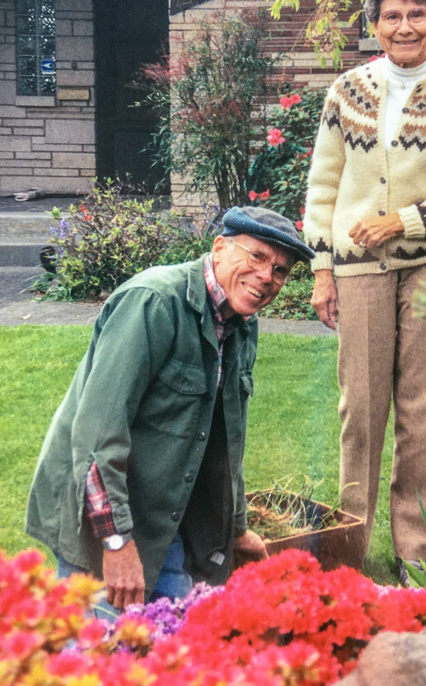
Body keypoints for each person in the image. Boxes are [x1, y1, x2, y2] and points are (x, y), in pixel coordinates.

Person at [303, 0, 426, 585]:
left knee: (419, 408)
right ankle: (350, 546)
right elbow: (324, 187)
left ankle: (414, 552)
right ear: (375, 25)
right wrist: (322, 268)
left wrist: (402, 222)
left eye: (417, 14)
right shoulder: (347, 94)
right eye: (392, 15)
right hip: (356, 269)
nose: (404, 26)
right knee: (359, 408)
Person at [25, 206, 314, 614]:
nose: (268, 277)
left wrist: (236, 530)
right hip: (101, 513)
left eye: (281, 270)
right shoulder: (153, 303)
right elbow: (96, 437)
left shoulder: (241, 322)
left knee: (173, 650)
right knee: (94, 659)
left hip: (165, 514)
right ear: (219, 248)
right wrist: (116, 542)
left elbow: (227, 441)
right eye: (257, 257)